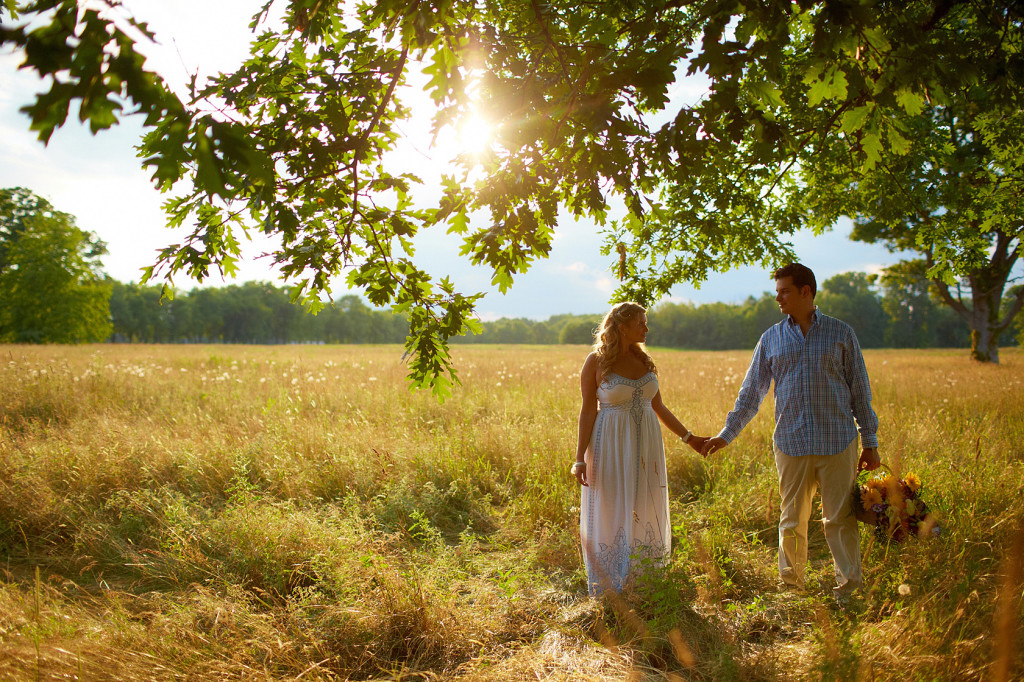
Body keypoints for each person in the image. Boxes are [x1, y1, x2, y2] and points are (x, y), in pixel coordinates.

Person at [701, 263, 881, 602]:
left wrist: (869, 443)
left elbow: (860, 391)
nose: (778, 298)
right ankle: (791, 589)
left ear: (806, 291)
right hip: (791, 442)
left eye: (784, 291)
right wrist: (726, 435)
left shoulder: (841, 334)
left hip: (837, 441)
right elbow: (751, 394)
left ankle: (850, 589)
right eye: (777, 291)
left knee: (840, 519)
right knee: (791, 520)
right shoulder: (770, 338)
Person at [573, 302, 706, 596]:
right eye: (641, 323)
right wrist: (579, 458)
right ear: (622, 327)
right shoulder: (595, 362)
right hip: (609, 443)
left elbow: (658, 406)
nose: (647, 328)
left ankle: (644, 579)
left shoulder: (644, 360)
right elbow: (587, 411)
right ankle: (610, 583)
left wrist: (689, 438)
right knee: (611, 503)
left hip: (647, 443)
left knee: (645, 502)